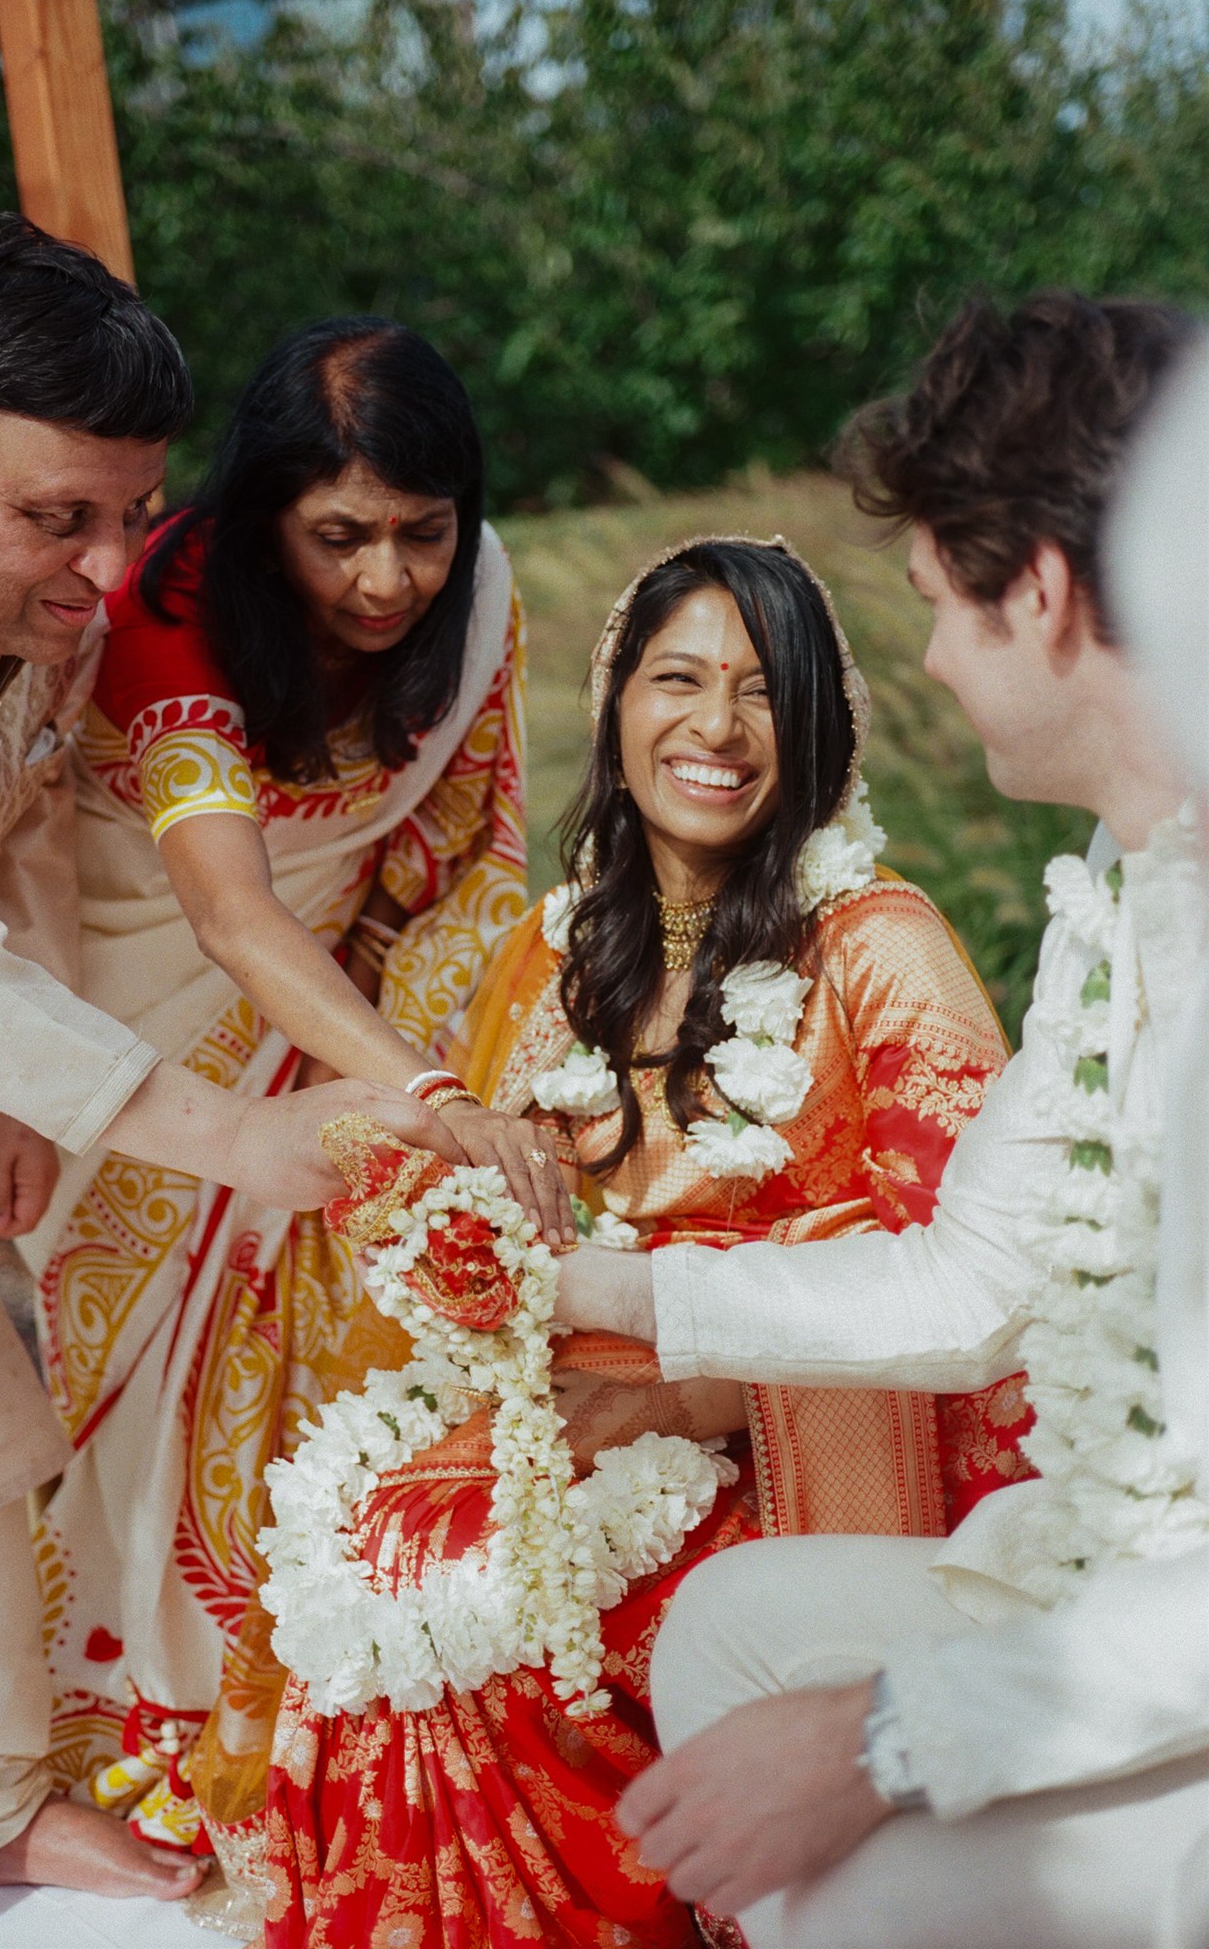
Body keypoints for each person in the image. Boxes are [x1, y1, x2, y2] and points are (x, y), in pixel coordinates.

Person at [259, 534, 1031, 1947]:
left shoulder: (876, 947)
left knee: (486, 1615)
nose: (716, 729)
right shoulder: (561, 951)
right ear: (616, 707)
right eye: (676, 679)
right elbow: (513, 1209)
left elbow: (974, 1295)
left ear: (815, 730)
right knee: (376, 1541)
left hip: (795, 1447)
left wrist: (678, 1396)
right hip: (585, 1405)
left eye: (758, 691)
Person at [556, 296, 1209, 1947]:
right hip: (1112, 1561)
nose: (914, 660)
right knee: (737, 1626)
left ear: (1041, 595)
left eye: (930, 603)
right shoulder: (1131, 888)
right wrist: (610, 1299)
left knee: (846, 1861)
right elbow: (972, 1275)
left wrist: (888, 1737)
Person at [0, 218, 465, 1902]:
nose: (107, 573)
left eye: (130, 518)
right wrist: (214, 1132)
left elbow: (24, 843)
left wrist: (6, 1088)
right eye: (57, 517)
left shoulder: (35, 620)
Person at [15, 318, 563, 1894]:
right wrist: (436, 1091)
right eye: (340, 537)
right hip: (140, 1025)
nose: (389, 580)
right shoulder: (173, 610)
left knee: (363, 1302)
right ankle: (136, 1724)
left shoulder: (482, 605)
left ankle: (317, 1696)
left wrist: (429, 1042)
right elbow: (232, 918)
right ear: (265, 521)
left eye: (421, 531)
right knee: (135, 1381)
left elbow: (473, 848)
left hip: (360, 1014)